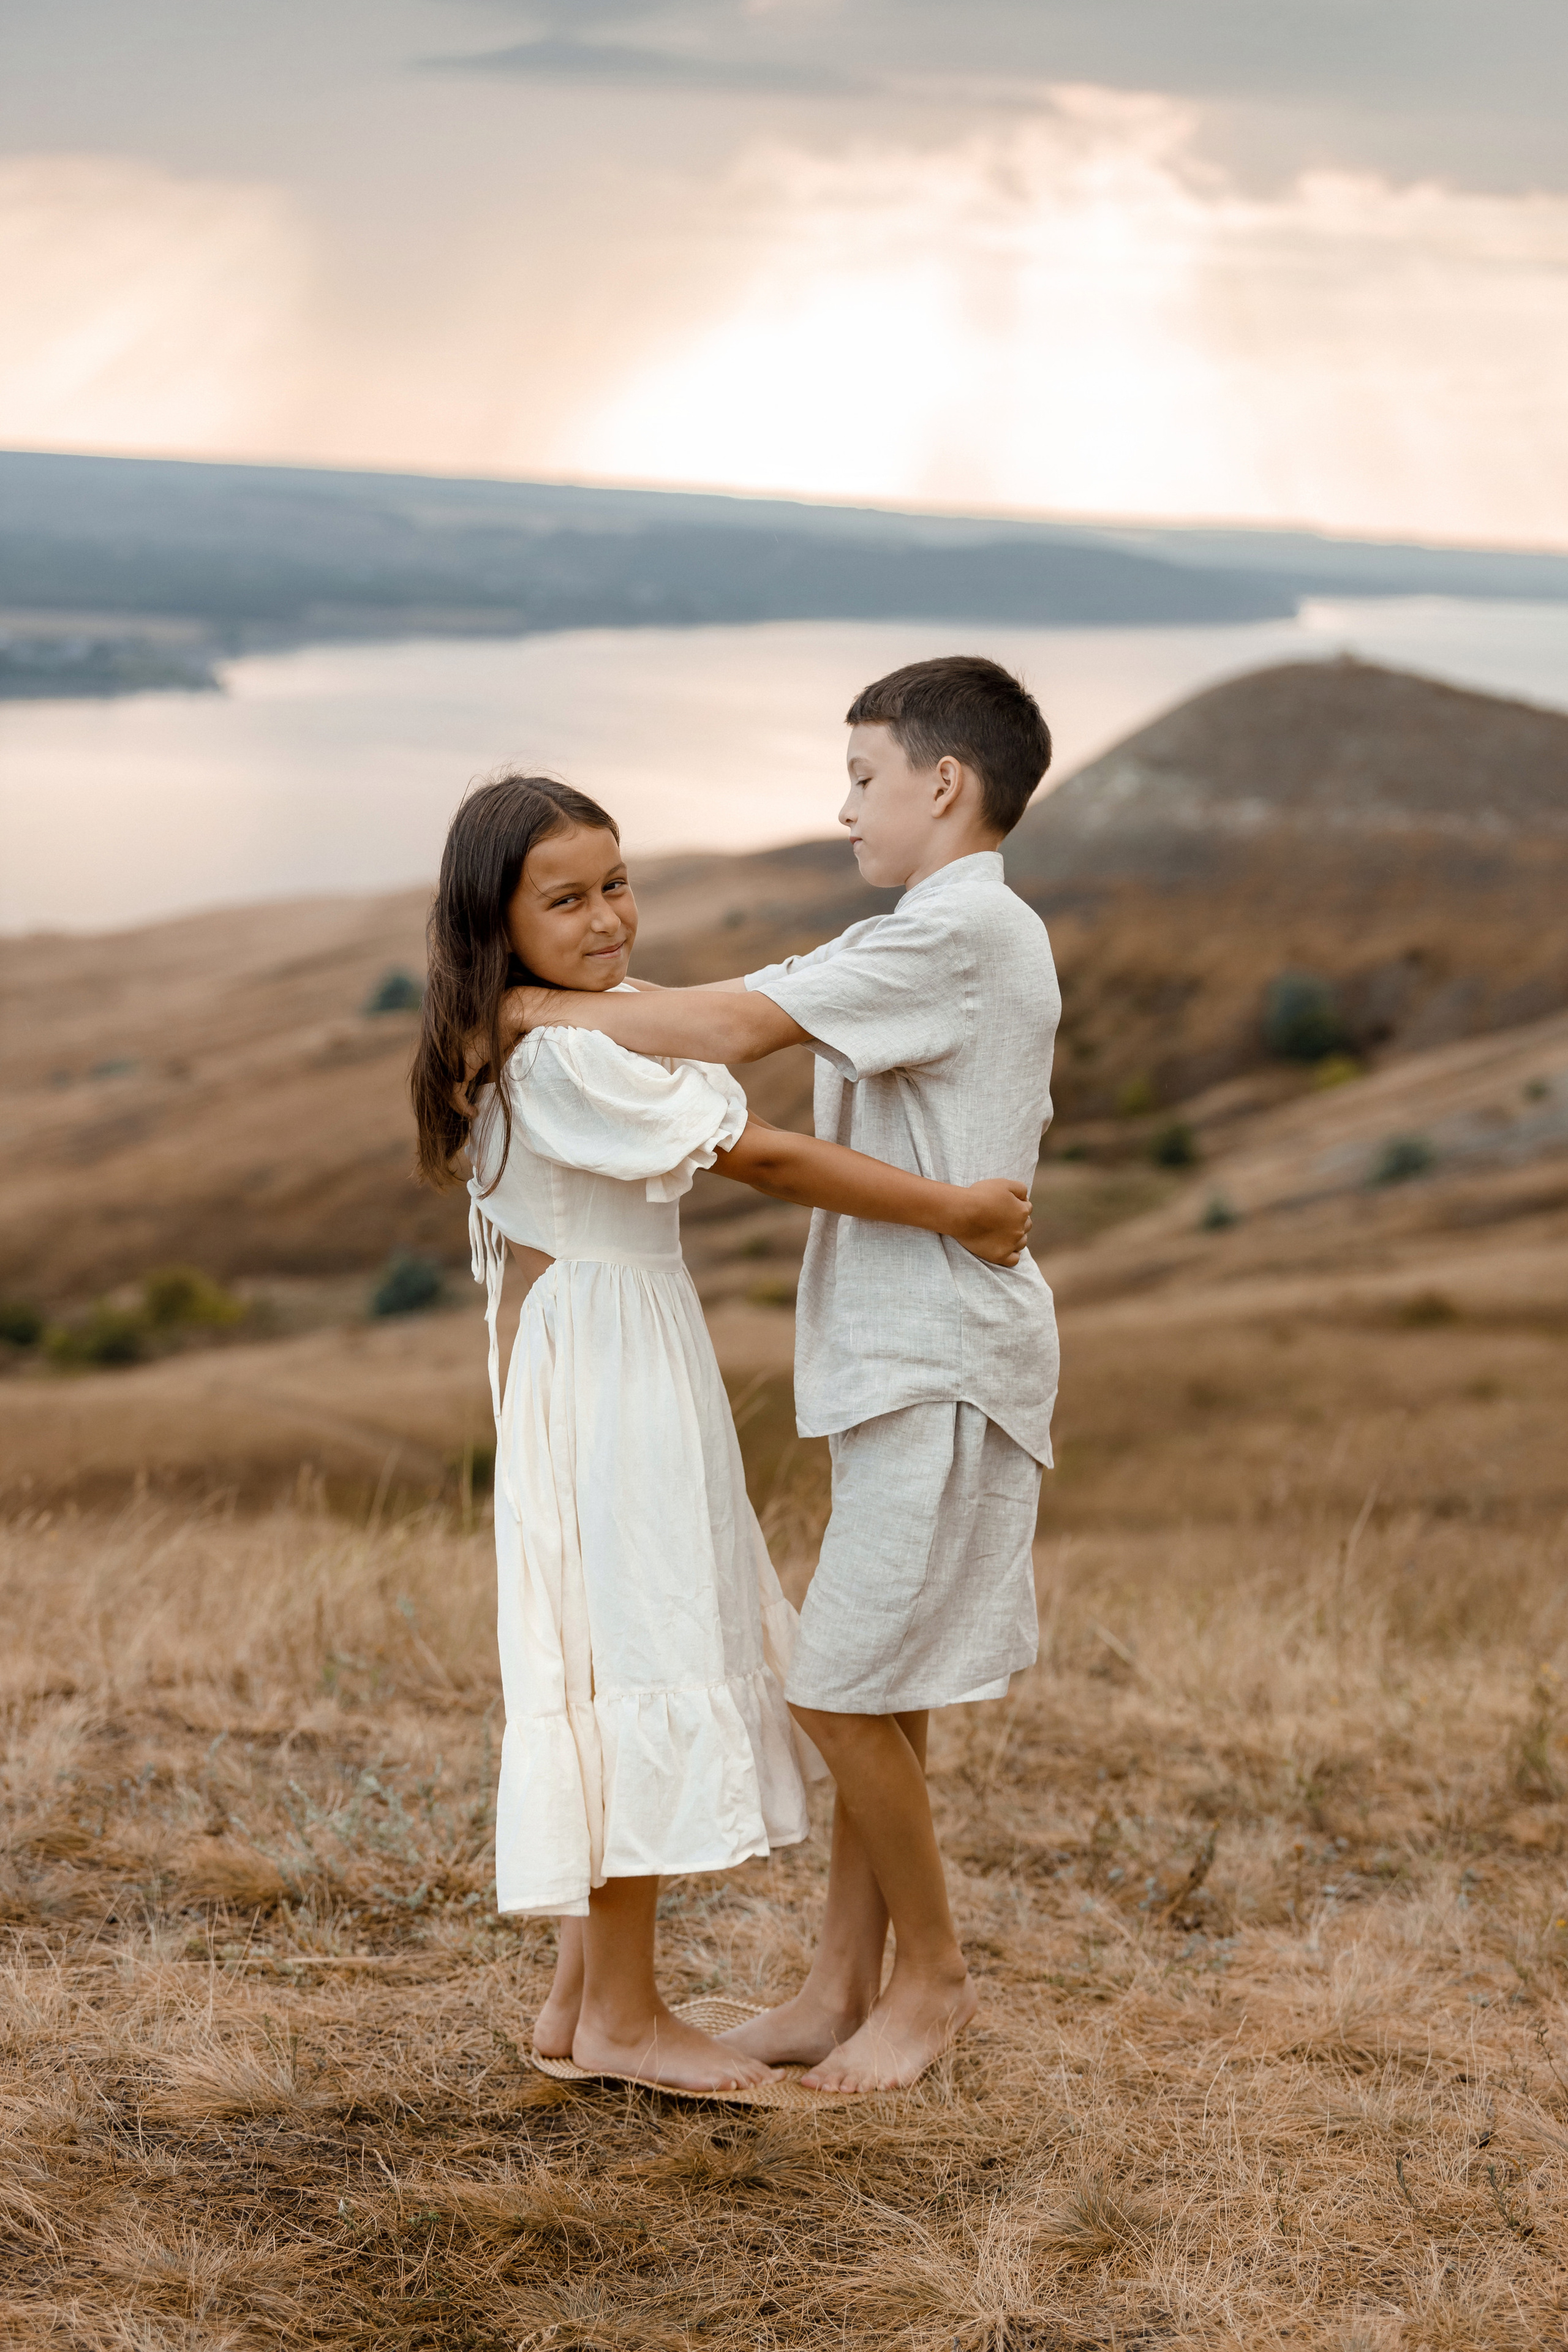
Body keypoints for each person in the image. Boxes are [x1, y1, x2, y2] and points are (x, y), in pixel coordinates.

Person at [409, 771, 1034, 2095]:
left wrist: (542, 992)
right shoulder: (572, 1049)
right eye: (563, 901)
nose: (605, 920)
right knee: (635, 1646)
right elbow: (760, 1155)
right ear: (494, 920)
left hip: (603, 1346)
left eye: (616, 885)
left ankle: (582, 2003)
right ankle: (627, 2018)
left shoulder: (572, 1021)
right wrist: (959, 1211)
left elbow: (709, 1015)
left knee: (607, 1649)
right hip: (613, 1362)